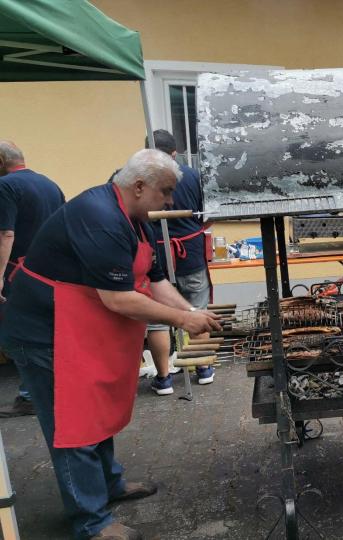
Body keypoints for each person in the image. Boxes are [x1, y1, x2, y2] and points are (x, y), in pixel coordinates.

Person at [0, 148, 221, 540]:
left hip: (79, 330)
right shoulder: (100, 217)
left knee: (96, 411)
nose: (171, 201)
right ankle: (91, 521)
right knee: (73, 426)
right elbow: (117, 299)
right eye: (166, 191)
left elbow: (155, 281)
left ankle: (109, 485)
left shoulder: (137, 219)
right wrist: (184, 319)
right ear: (139, 186)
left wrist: (193, 312)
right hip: (45, 332)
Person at [143, 130, 213, 395]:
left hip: (153, 256)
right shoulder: (193, 177)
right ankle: (203, 368)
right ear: (174, 154)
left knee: (157, 320)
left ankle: (164, 378)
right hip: (190, 254)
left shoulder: (135, 178)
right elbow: (210, 214)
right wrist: (193, 230)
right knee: (197, 309)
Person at [0, 140, 65, 418]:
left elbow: (6, 234)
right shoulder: (50, 184)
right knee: (48, 331)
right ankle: (51, 389)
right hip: (51, 272)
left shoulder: (5, 187)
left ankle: (29, 395)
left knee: (20, 334)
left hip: (20, 273)